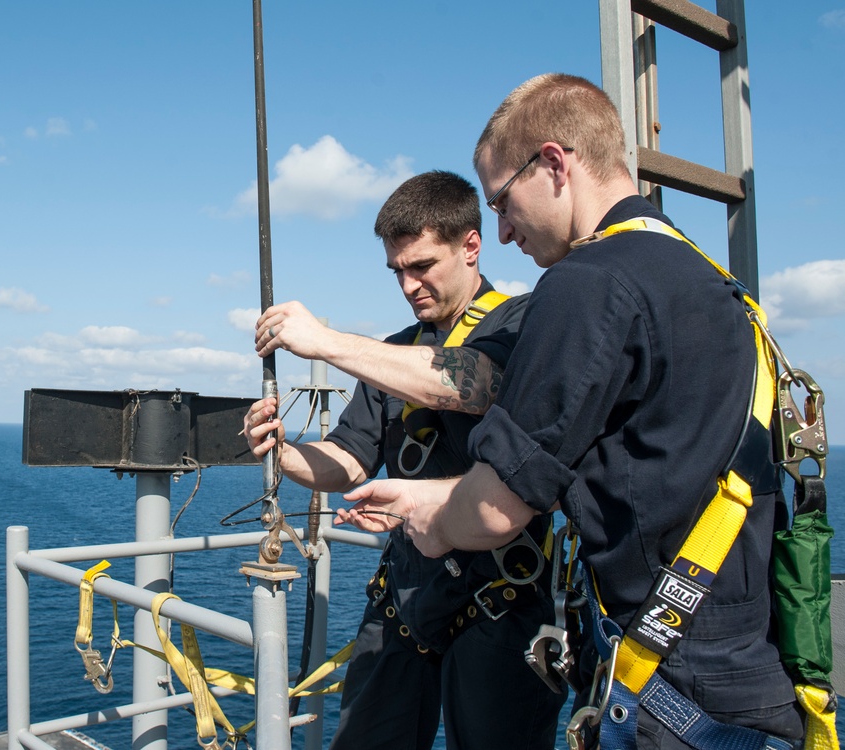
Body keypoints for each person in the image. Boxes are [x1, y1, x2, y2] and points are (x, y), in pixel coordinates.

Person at [339, 74, 805, 748]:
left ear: (554, 164)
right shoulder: (713, 282)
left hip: (666, 692)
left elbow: (499, 507)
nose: (501, 231)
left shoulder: (587, 285)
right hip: (743, 669)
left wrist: (432, 519)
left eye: (502, 201)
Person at [243, 170, 565, 750]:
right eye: (398, 271)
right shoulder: (393, 355)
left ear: (471, 246)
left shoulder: (524, 325)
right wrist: (283, 452)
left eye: (422, 266)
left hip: (504, 596)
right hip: (407, 592)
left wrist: (328, 342)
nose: (409, 285)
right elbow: (347, 460)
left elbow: (471, 384)